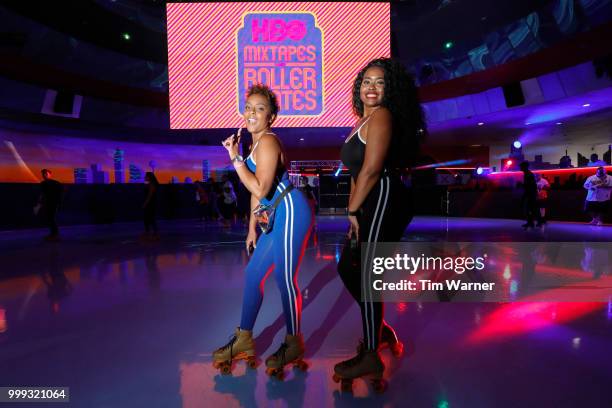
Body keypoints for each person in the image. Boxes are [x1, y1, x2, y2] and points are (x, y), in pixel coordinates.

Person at [334, 58, 425, 392]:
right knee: (348, 267)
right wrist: (353, 212)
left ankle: (371, 354)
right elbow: (358, 174)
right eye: (366, 82)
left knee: (369, 275)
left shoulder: (383, 116)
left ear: (390, 90)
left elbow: (372, 170)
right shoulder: (364, 119)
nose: (371, 87)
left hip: (385, 194)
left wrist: (352, 209)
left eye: (379, 82)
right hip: (370, 198)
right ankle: (381, 331)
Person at [212, 84, 313, 376]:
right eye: (249, 107)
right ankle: (244, 339)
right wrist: (252, 229)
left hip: (291, 211)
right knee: (253, 274)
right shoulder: (253, 144)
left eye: (260, 108)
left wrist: (234, 158)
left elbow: (260, 187)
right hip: (275, 214)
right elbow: (256, 195)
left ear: (271, 117)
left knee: (284, 279)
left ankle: (294, 342)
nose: (252, 113)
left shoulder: (268, 141)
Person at [37, 169, 63, 241]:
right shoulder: (42, 184)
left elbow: (60, 194)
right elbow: (42, 194)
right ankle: (53, 234)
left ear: (50, 174)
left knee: (52, 218)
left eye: (46, 173)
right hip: (47, 204)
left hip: (54, 203)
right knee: (49, 219)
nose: (44, 175)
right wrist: (40, 202)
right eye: (43, 174)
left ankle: (55, 234)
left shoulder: (56, 183)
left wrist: (59, 202)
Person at [520, 161, 544, 228]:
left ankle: (533, 222)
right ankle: (534, 222)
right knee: (532, 209)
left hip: (530, 194)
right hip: (531, 194)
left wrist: (522, 185)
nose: (520, 167)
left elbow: (530, 185)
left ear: (524, 167)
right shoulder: (527, 174)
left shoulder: (528, 174)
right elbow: (531, 185)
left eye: (521, 166)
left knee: (531, 209)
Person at [142, 172, 159, 240]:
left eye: (146, 176)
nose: (145, 177)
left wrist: (145, 203)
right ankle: (151, 231)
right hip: (150, 203)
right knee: (149, 218)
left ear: (149, 177)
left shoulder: (152, 184)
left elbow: (150, 195)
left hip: (150, 204)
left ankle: (151, 232)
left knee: (149, 217)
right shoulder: (149, 184)